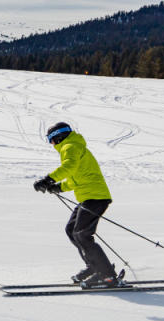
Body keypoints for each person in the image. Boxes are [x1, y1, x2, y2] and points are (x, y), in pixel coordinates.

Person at [33, 122, 120, 288]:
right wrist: (58, 187)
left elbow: (68, 167)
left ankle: (107, 275)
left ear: (57, 137)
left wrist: (48, 179)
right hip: (90, 197)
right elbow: (76, 178)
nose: (51, 145)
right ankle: (94, 267)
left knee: (82, 234)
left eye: (51, 141)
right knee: (72, 231)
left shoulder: (70, 147)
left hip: (95, 197)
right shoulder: (74, 146)